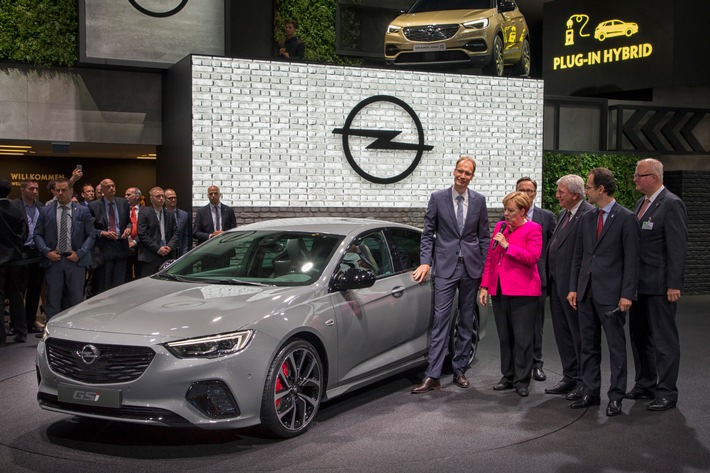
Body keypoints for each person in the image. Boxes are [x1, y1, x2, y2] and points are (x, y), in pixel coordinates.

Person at [411, 156, 490, 393]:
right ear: (454, 171)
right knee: (441, 320)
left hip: (471, 268)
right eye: (460, 171)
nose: (463, 176)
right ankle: (433, 375)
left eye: (468, 173)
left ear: (472, 176)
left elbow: (483, 237)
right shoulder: (438, 198)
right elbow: (427, 234)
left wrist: (486, 271)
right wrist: (426, 262)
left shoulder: (479, 201)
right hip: (445, 267)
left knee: (466, 320)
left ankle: (459, 370)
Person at [567, 168, 640, 417]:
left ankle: (616, 396)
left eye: (588, 187)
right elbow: (580, 256)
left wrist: (627, 294)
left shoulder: (627, 218)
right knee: (588, 346)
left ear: (601, 189)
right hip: (586, 293)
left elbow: (632, 260)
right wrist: (574, 288)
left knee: (616, 348)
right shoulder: (587, 218)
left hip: (613, 296)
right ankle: (590, 392)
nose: (585, 191)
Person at [627, 158, 688, 411]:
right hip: (638, 286)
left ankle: (667, 392)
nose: (635, 179)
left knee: (664, 341)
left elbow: (677, 247)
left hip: (661, 286)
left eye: (639, 175)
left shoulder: (671, 204)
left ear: (654, 177)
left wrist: (674, 284)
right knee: (640, 338)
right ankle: (645, 384)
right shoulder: (641, 203)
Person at [479, 191, 542, 397]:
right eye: (505, 209)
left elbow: (532, 257)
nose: (506, 214)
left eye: (511, 210)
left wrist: (509, 246)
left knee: (523, 338)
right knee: (505, 337)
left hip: (524, 292)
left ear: (523, 211)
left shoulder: (534, 229)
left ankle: (522, 380)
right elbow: (490, 258)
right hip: (500, 290)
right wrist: (485, 286)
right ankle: (507, 376)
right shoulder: (500, 227)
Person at [545, 175, 593, 400]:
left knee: (579, 335)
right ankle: (569, 376)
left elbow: (585, 255)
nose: (557, 196)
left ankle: (585, 381)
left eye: (561, 192)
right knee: (562, 333)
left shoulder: (588, 214)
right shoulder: (563, 214)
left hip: (574, 289)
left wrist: (575, 286)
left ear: (575, 194)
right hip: (557, 284)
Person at [33, 178, 96, 321]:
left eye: (64, 190)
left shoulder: (83, 211)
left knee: (76, 300)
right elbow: (37, 234)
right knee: (53, 301)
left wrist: (80, 253)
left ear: (71, 191)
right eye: (58, 190)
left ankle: (76, 331)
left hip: (75, 261)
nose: (61, 193)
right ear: (53, 191)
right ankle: (51, 333)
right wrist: (46, 252)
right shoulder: (45, 210)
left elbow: (91, 235)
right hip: (53, 261)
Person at [515, 177, 556, 381]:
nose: (525, 193)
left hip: (538, 278)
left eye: (529, 190)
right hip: (514, 279)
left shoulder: (546, 216)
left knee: (536, 324)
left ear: (535, 193)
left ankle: (536, 364)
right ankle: (517, 366)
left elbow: (555, 247)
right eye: (521, 189)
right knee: (515, 325)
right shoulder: (510, 216)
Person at [12, 180, 46, 334]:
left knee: (35, 289)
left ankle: (30, 321)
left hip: (38, 252)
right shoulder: (14, 206)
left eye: (36, 189)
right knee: (19, 291)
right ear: (22, 190)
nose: (35, 191)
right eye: (31, 188)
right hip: (21, 253)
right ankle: (17, 324)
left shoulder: (41, 206)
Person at [88, 178, 132, 293]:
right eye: (108, 186)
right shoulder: (94, 206)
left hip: (121, 245)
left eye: (113, 185)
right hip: (104, 248)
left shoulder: (123, 203)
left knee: (119, 284)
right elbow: (89, 229)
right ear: (102, 190)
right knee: (105, 284)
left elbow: (129, 221)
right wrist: (102, 233)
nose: (111, 188)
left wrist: (128, 228)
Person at [0, 179, 28, 343]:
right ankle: (21, 331)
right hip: (16, 258)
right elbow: (24, 232)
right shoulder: (17, 209)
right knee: (17, 295)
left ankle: (1, 335)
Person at [137, 187, 178, 277]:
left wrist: (170, 247)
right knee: (149, 285)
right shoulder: (144, 212)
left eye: (162, 196)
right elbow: (142, 234)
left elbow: (176, 233)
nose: (161, 198)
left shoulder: (169, 214)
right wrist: (158, 249)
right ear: (151, 198)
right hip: (150, 255)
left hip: (167, 255)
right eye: (158, 196)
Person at [165, 188, 192, 257]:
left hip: (179, 252)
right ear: (164, 199)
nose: (173, 200)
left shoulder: (184, 215)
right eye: (170, 198)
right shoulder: (160, 214)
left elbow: (185, 236)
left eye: (175, 198)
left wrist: (184, 254)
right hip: (164, 251)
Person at [125, 187, 143, 280]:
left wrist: (135, 241)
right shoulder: (122, 210)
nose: (125, 197)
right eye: (125, 195)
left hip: (141, 246)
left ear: (137, 196)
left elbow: (146, 230)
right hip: (125, 246)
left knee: (140, 275)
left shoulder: (145, 210)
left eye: (128, 195)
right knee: (125, 275)